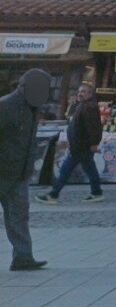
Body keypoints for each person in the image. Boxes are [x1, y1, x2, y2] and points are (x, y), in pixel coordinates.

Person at [0, 69, 52, 271]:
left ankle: (23, 256)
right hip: (4, 168)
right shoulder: (6, 106)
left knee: (20, 215)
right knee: (18, 214)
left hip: (19, 172)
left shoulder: (32, 107)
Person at [37, 83, 104, 205]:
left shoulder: (89, 107)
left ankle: (53, 194)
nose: (80, 93)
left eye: (83, 91)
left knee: (65, 171)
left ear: (90, 94)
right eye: (79, 91)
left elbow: (94, 127)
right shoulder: (83, 105)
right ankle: (97, 192)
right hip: (80, 145)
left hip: (80, 146)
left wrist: (94, 143)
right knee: (90, 169)